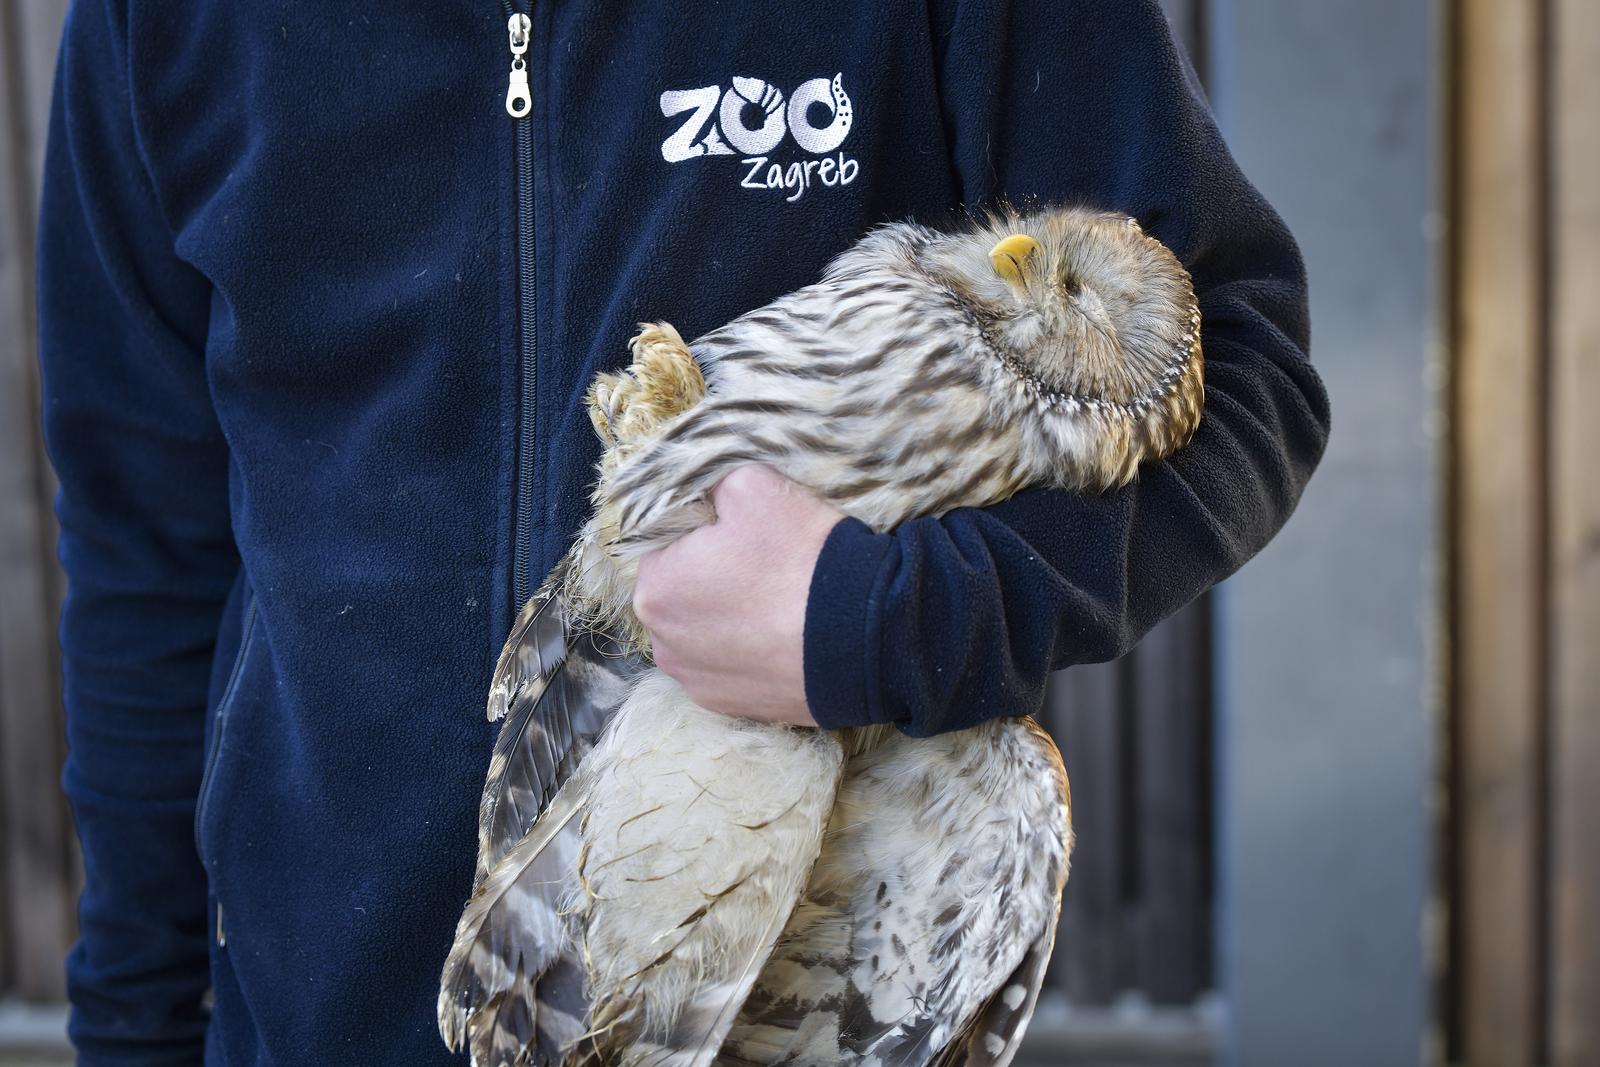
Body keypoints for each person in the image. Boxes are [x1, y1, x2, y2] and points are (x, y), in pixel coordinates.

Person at [35, 1, 1328, 1063]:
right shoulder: (166, 22)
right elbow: (146, 555)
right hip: (319, 1009)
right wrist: (133, 1030)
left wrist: (887, 619)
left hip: (766, 990)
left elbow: (1239, 374)